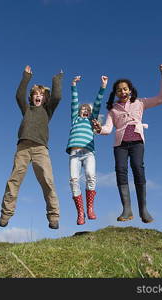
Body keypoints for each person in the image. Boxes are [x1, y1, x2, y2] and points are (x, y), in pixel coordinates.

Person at [93, 64, 162, 223]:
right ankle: (127, 209)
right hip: (120, 144)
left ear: (130, 90)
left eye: (125, 89)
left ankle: (143, 210)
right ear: (115, 93)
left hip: (136, 142)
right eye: (119, 90)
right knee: (121, 171)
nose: (122, 92)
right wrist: (99, 128)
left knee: (137, 168)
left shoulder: (140, 102)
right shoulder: (113, 110)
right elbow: (108, 128)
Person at [0, 65, 63, 229]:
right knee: (14, 180)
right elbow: (19, 94)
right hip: (23, 148)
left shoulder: (47, 111)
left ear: (44, 98)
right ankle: (6, 214)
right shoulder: (26, 109)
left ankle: (53, 217)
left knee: (48, 181)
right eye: (35, 94)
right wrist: (26, 77)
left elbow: (57, 97)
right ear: (32, 97)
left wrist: (56, 80)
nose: (38, 96)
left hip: (41, 149)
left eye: (41, 95)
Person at [66, 75, 108, 225]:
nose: (84, 110)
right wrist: (73, 85)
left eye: (87, 109)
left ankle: (90, 208)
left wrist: (103, 86)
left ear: (90, 113)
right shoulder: (75, 119)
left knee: (90, 175)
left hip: (89, 153)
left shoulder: (92, 121)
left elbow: (97, 103)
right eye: (82, 109)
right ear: (78, 112)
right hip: (75, 153)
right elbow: (74, 101)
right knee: (74, 180)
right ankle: (80, 213)